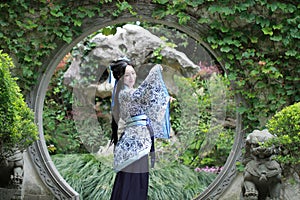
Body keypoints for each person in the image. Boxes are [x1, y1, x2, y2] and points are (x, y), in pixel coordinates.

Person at [109, 57, 171, 200]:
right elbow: (143, 93)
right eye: (126, 75)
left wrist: (166, 99)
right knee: (132, 183)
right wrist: (155, 71)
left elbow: (149, 102)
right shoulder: (124, 93)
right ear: (120, 77)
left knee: (138, 183)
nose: (131, 77)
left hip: (140, 141)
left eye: (133, 73)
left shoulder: (131, 92)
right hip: (134, 144)